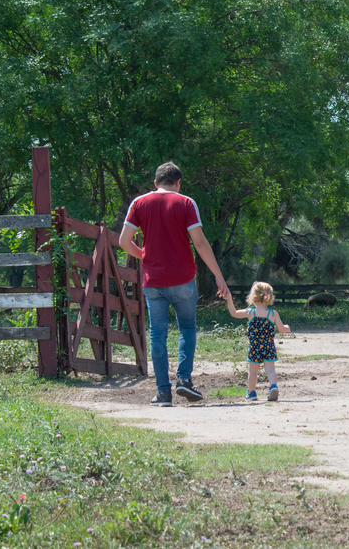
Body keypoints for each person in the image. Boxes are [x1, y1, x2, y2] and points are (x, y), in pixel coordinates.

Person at [119, 162, 229, 407]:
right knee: (187, 328)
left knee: (157, 332)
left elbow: (124, 241)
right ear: (178, 182)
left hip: (153, 281)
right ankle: (184, 380)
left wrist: (144, 255)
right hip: (183, 279)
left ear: (155, 183)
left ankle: (163, 393)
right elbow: (200, 243)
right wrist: (218, 276)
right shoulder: (186, 203)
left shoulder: (138, 203)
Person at [224, 282, 291, 401]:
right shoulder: (272, 313)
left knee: (253, 371)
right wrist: (287, 328)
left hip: (255, 347)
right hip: (269, 346)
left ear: (253, 297)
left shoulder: (250, 312)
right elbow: (281, 329)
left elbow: (234, 313)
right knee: (270, 369)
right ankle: (273, 386)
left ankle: (252, 393)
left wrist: (229, 299)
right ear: (268, 297)